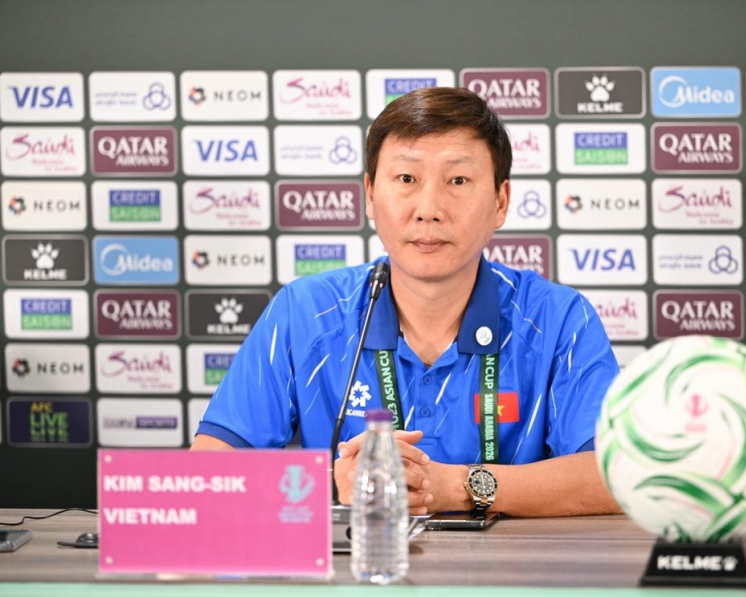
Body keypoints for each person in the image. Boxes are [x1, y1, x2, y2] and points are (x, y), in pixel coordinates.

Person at [192, 87, 621, 517]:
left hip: (511, 563)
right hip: (357, 560)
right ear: (369, 195)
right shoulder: (304, 312)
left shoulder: (559, 319)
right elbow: (209, 470)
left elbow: (613, 476)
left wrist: (459, 486)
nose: (429, 209)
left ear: (500, 201)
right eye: (406, 179)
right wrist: (333, 485)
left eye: (458, 181)